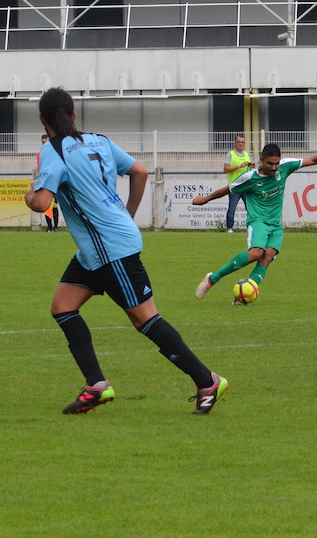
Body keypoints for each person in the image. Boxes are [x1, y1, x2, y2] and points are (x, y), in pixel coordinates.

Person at [24, 87, 227, 415]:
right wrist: (127, 215)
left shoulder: (53, 150)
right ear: (73, 115)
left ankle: (207, 381)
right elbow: (140, 171)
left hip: (110, 249)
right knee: (63, 307)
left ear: (41, 119)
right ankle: (96, 386)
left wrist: (30, 196)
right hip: (97, 249)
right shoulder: (99, 141)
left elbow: (42, 203)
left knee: (144, 318)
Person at [194, 144, 317, 302]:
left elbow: (313, 160)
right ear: (261, 160)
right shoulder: (250, 177)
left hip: (276, 224)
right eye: (270, 163)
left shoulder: (285, 166)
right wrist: (205, 199)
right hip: (258, 221)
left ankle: (244, 294)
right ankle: (212, 279)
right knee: (255, 253)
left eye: (276, 163)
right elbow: (227, 189)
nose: (274, 167)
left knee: (267, 257)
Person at [223, 135, 253, 233]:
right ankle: (229, 228)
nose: (241, 144)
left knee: (250, 208)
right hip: (234, 186)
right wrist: (239, 166)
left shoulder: (247, 154)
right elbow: (226, 169)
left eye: (242, 142)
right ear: (235, 143)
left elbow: (249, 170)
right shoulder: (231, 154)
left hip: (245, 186)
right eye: (239, 142)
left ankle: (251, 226)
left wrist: (252, 166)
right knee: (232, 208)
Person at [35, 134, 60, 232]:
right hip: (44, 180)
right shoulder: (40, 153)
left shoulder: (55, 152)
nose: (44, 144)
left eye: (46, 142)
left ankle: (55, 227)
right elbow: (39, 166)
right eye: (43, 142)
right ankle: (50, 227)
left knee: (54, 205)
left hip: (54, 180)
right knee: (47, 205)